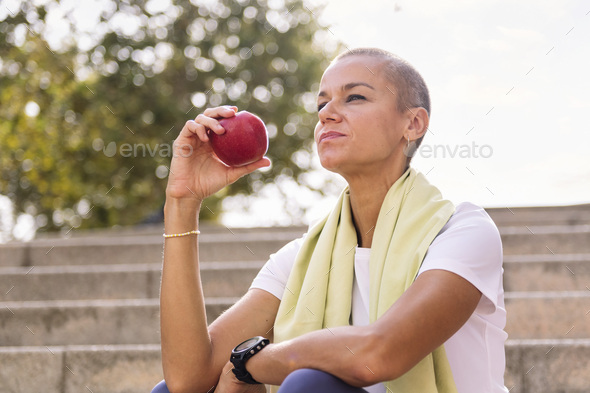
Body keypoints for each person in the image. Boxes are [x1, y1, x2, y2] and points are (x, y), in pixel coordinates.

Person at [152, 48, 508, 393]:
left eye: (354, 98)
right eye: (322, 104)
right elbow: (188, 378)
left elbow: (378, 354)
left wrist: (249, 364)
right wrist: (182, 202)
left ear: (413, 123)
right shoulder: (302, 258)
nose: (327, 114)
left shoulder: (461, 231)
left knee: (311, 385)